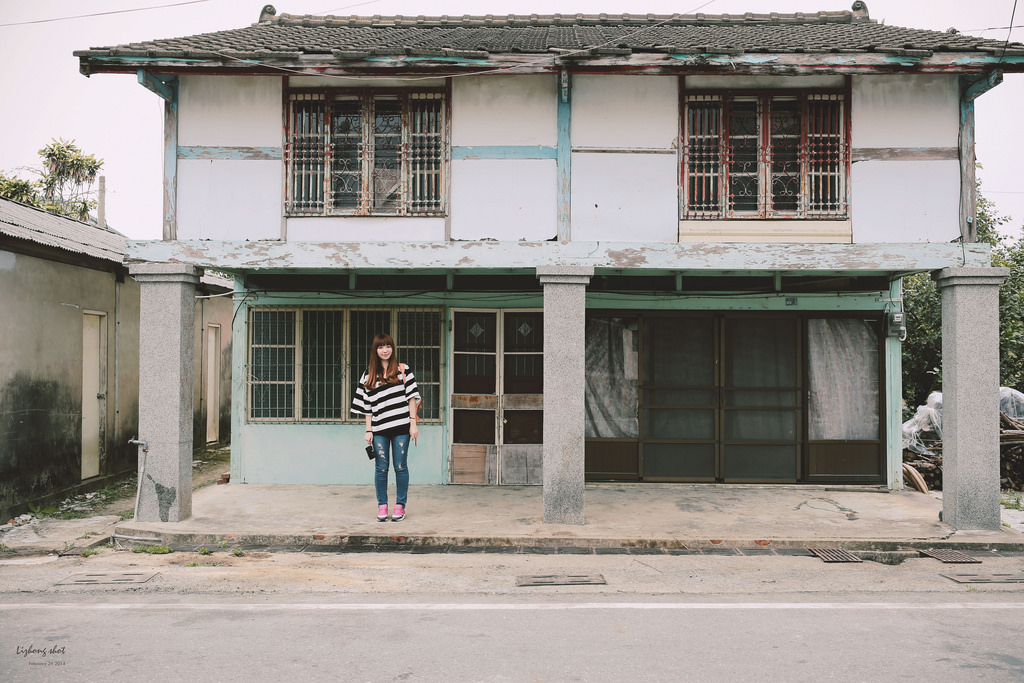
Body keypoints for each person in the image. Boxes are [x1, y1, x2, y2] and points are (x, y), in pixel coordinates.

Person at [351, 333, 420, 522]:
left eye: (388, 346)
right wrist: (368, 430)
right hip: (379, 429)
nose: (385, 350)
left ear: (392, 348)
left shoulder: (403, 370)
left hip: (401, 427)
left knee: (400, 467)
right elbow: (367, 407)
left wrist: (413, 424)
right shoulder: (368, 375)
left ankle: (400, 506)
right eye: (381, 347)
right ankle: (382, 505)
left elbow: (412, 397)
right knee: (381, 468)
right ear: (376, 350)